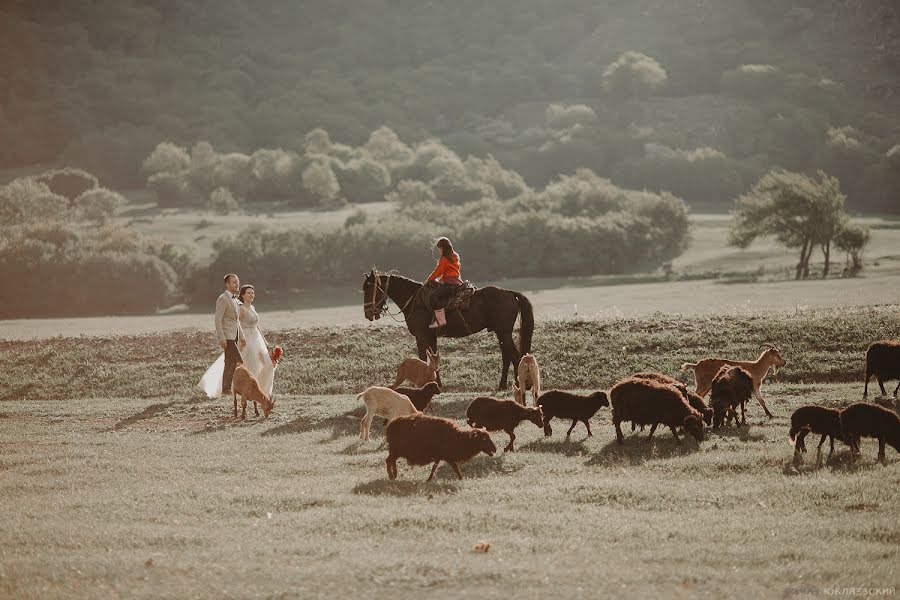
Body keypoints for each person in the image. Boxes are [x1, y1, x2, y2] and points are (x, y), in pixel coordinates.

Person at [198, 273, 246, 399]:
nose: (237, 284)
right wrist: (221, 338)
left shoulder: (235, 299)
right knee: (238, 360)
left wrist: (241, 336)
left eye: (238, 282)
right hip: (227, 337)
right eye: (234, 282)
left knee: (230, 362)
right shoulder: (223, 299)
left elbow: (236, 320)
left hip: (234, 336)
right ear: (227, 284)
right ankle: (232, 388)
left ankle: (226, 389)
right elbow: (217, 320)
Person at [236, 284, 276, 396]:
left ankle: (264, 391)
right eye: (248, 293)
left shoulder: (252, 308)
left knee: (268, 365)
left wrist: (265, 341)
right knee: (252, 366)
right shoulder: (241, 309)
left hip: (257, 338)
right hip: (247, 339)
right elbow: (236, 322)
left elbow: (257, 326)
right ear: (243, 295)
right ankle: (251, 392)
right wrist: (241, 337)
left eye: (252, 293)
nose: (251, 295)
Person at [426, 237, 462, 328]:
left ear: (443, 248)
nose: (439, 251)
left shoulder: (445, 259)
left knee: (434, 297)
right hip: (457, 282)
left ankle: (440, 321)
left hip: (449, 284)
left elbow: (438, 271)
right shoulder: (455, 256)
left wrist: (429, 279)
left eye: (439, 249)